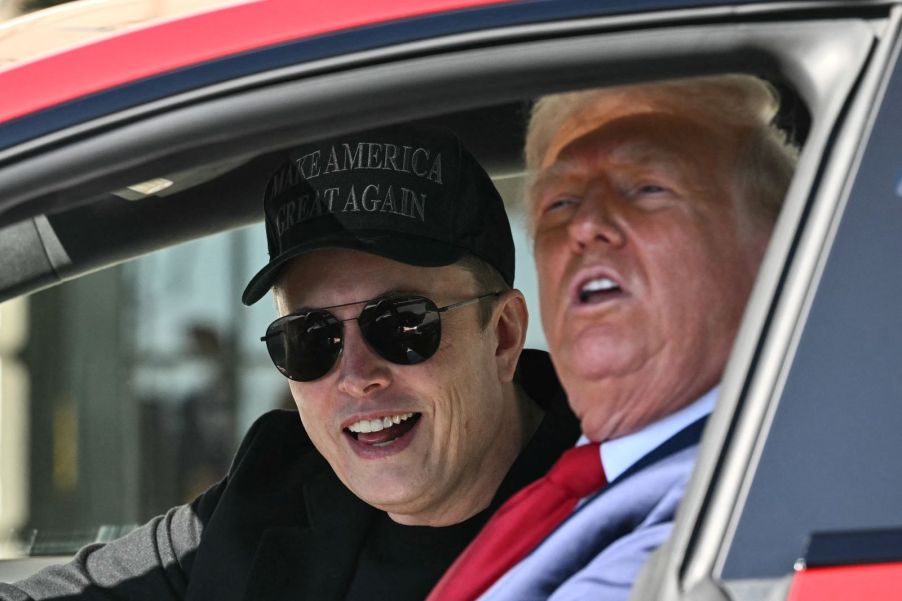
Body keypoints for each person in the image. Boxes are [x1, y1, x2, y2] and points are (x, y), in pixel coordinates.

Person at [1, 126, 580, 600]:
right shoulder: (275, 486)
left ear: (502, 336)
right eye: (310, 339)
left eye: (402, 325)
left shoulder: (617, 512)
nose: (356, 377)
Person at [428, 74, 799, 600]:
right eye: (560, 203)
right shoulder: (597, 488)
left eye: (648, 188)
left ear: (776, 250)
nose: (585, 225)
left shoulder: (747, 510)